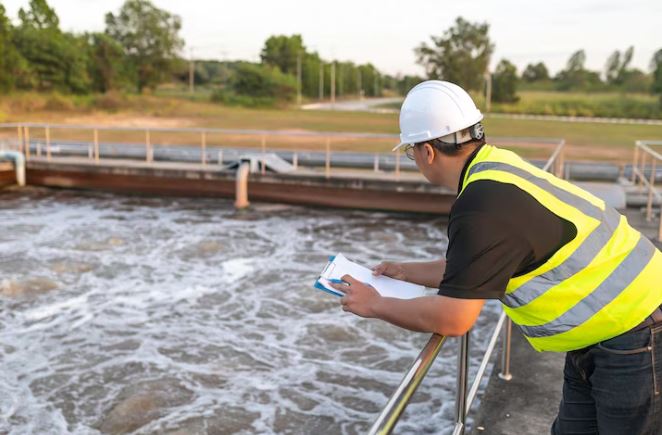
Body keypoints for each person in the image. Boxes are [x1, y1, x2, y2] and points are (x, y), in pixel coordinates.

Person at [329, 80, 662, 435]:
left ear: (427, 151)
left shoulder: (481, 207)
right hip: (612, 330)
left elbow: (454, 319)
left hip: (636, 336)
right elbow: (482, 265)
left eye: (411, 152)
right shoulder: (496, 168)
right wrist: (406, 272)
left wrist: (375, 304)